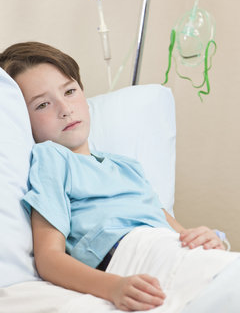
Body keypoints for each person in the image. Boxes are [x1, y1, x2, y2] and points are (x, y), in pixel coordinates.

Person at [0, 41, 239, 313]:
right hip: (128, 255)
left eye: (69, 91)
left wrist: (204, 238)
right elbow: (49, 259)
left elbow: (174, 228)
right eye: (42, 104)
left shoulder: (127, 167)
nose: (64, 108)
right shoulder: (52, 159)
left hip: (169, 247)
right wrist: (112, 287)